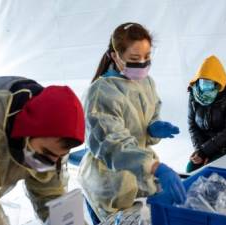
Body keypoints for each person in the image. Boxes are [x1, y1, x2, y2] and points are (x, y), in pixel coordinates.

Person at [78, 22, 186, 224]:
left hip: (139, 177)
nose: (143, 64)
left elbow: (149, 116)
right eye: (135, 59)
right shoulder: (101, 92)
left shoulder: (146, 82)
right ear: (115, 56)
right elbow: (114, 146)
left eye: (147, 57)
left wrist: (152, 128)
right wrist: (155, 167)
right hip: (110, 183)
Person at [0, 76, 85, 225]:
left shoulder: (50, 145)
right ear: (27, 131)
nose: (49, 163)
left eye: (59, 158)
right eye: (46, 154)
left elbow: (51, 195)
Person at [187, 55, 226, 172]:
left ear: (218, 82)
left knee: (212, 170)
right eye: (203, 83)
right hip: (204, 146)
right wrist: (200, 152)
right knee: (191, 169)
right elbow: (192, 126)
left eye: (210, 84)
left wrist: (205, 152)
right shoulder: (194, 94)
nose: (205, 88)